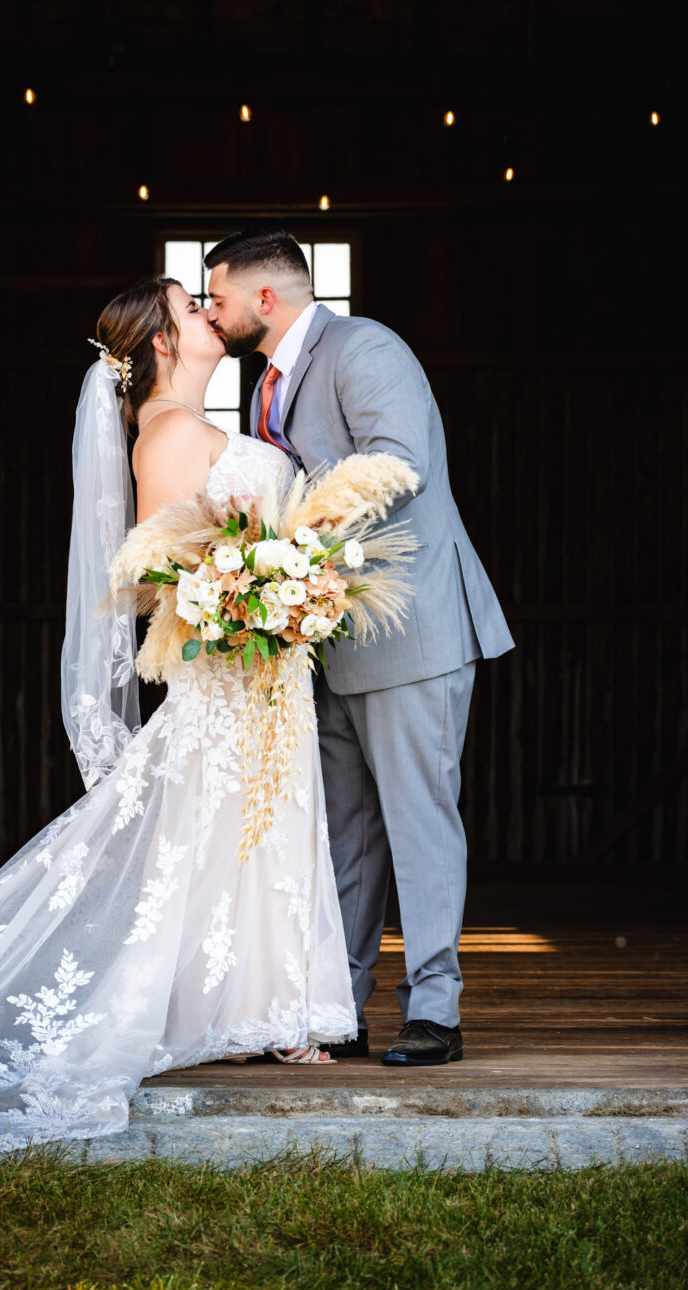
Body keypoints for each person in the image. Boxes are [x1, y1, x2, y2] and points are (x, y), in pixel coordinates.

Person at [0, 277, 357, 1165]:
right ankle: (258, 1011)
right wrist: (251, 590)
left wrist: (275, 580)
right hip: (235, 672)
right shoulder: (175, 434)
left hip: (266, 672)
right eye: (192, 309)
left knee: (243, 830)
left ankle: (266, 1007)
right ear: (160, 345)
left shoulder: (179, 428)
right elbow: (156, 577)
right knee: (220, 829)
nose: (208, 317)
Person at [205, 230, 515, 1066]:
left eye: (218, 295)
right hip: (328, 640)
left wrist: (293, 543)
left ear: (264, 298)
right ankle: (339, 1007)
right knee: (345, 834)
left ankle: (435, 1013)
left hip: (408, 632)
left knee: (419, 822)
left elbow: (399, 465)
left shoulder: (364, 348)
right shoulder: (268, 382)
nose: (212, 310)